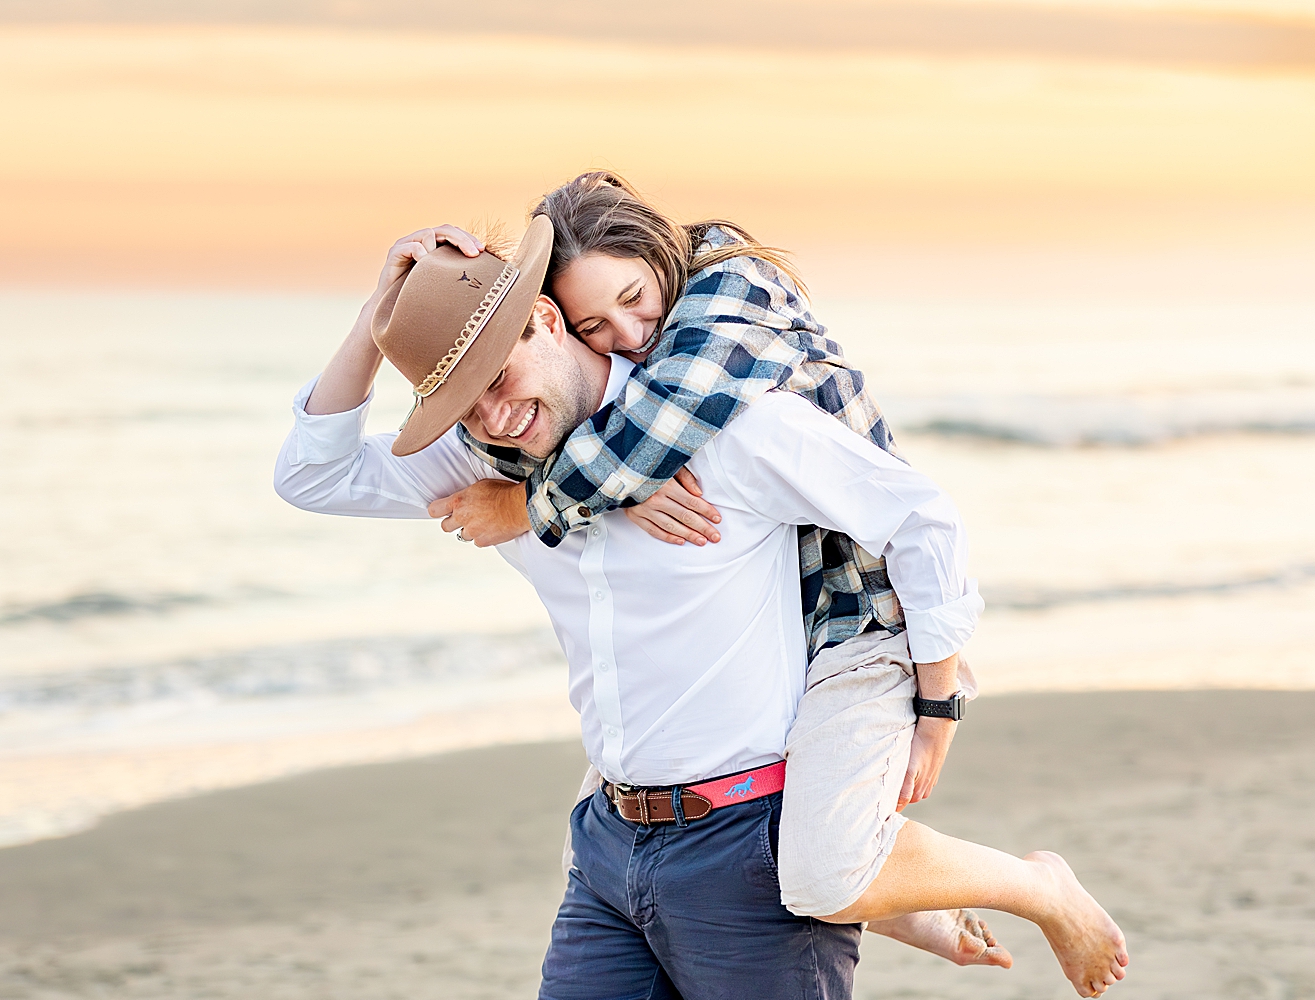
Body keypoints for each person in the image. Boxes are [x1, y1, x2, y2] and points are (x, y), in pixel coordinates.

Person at [273, 216, 1129, 998]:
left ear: (540, 318)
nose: (500, 414)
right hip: (607, 848)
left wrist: (938, 700)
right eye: (468, 404)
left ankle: (1005, 889)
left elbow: (918, 516)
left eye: (500, 378)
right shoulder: (493, 457)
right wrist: (378, 317)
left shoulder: (724, 428)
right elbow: (313, 475)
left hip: (746, 850)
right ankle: (903, 907)